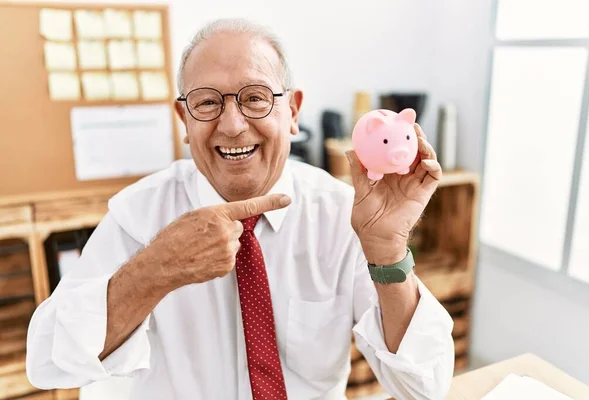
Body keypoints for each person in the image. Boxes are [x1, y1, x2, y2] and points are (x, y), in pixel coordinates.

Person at [26, 18, 454, 400]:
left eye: (254, 98)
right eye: (208, 103)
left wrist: (388, 252)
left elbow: (426, 387)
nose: (232, 125)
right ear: (184, 120)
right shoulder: (139, 213)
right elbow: (48, 361)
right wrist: (154, 269)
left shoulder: (343, 213)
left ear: (293, 111)